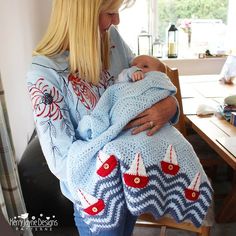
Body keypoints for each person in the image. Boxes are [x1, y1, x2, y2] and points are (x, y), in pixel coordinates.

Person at [26, 0, 178, 235]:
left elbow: (145, 85)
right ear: (81, 15)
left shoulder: (112, 39)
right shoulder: (44, 74)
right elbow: (63, 162)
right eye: (110, 13)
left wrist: (170, 105)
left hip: (131, 185)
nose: (117, 21)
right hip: (98, 200)